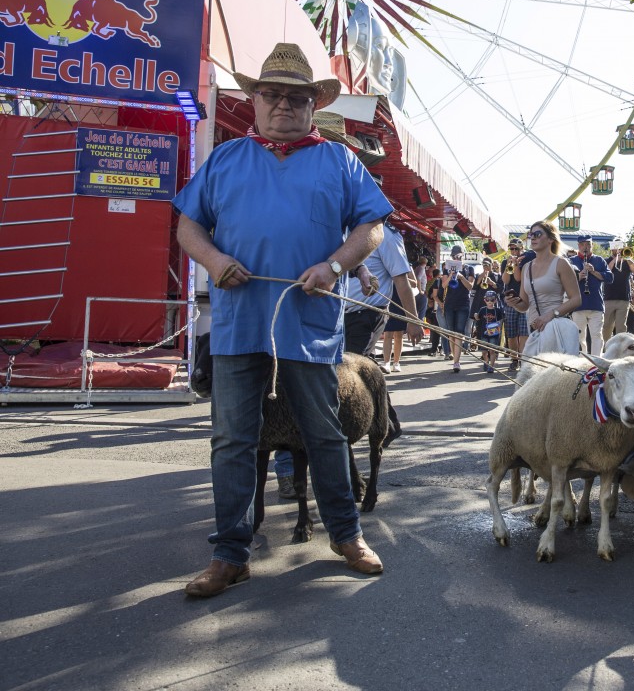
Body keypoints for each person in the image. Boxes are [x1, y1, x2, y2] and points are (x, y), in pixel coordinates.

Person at [174, 42, 391, 596]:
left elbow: (372, 228)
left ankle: (346, 534)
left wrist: (335, 265)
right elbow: (187, 228)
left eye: (297, 97)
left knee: (326, 434)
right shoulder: (225, 158)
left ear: (314, 104)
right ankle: (230, 553)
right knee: (232, 440)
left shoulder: (340, 160)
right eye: (272, 94)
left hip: (311, 324)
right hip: (238, 324)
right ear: (254, 98)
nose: (283, 105)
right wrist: (216, 260)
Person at [343, 221, 421, 368]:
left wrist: (413, 320)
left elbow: (402, 281)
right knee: (353, 370)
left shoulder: (386, 234)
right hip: (339, 314)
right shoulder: (343, 227)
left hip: (367, 313)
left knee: (354, 368)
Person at [504, 220, 582, 357]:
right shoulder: (526, 267)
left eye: (538, 234)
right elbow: (525, 305)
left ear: (551, 239)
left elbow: (576, 299)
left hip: (556, 330)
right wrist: (515, 303)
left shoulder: (561, 263)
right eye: (531, 234)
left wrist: (550, 315)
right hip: (534, 332)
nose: (533, 237)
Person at [569, 235, 613, 352]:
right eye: (583, 244)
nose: (586, 247)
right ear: (578, 246)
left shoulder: (599, 260)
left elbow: (610, 278)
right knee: (579, 338)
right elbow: (564, 282)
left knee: (597, 336)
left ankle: (596, 364)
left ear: (592, 245)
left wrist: (593, 272)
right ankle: (581, 364)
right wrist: (578, 277)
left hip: (596, 305)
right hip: (578, 305)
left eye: (588, 244)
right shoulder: (571, 261)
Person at [441, 245, 475, 373]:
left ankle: (456, 362)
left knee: (459, 332)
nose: (456, 257)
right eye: (454, 255)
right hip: (450, 303)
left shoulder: (469, 268)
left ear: (462, 255)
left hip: (463, 303)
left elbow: (470, 287)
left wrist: (461, 277)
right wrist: (450, 275)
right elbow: (444, 285)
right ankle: (455, 358)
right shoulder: (446, 268)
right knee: (451, 332)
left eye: (459, 255)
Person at [499, 240, 529, 371]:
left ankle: (522, 359)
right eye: (512, 249)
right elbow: (505, 280)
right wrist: (509, 265)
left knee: (523, 332)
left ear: (522, 248)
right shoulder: (506, 262)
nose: (514, 252)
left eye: (516, 249)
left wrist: (516, 265)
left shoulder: (526, 261)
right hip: (510, 301)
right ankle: (514, 359)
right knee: (511, 333)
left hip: (523, 300)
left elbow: (518, 278)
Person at [602, 246, 634, 341]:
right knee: (606, 326)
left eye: (620, 247)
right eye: (616, 247)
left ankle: (620, 349)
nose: (618, 249)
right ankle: (605, 349)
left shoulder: (628, 261)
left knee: (621, 327)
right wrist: (616, 259)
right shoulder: (606, 260)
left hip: (624, 299)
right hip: (609, 298)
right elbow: (606, 270)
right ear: (612, 248)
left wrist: (628, 259)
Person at [474, 290, 504, 373]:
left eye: (492, 299)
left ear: (495, 300)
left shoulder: (497, 310)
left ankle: (491, 366)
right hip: (484, 333)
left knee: (492, 351)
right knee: (484, 351)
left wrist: (499, 328)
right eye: (488, 299)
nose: (490, 301)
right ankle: (486, 362)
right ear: (485, 300)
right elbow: (478, 318)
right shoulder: (483, 309)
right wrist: (476, 315)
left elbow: (501, 320)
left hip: (494, 334)